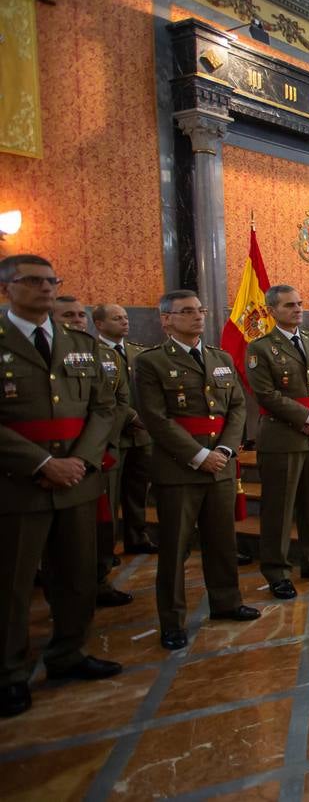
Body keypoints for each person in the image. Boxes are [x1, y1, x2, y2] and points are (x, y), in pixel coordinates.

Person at [0, 254, 120, 719]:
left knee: (76, 574)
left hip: (77, 480)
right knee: (12, 583)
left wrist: (81, 460)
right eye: (35, 281)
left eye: (53, 281)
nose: (47, 288)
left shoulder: (80, 344)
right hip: (18, 483)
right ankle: (10, 673)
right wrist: (44, 463)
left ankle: (68, 652)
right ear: (9, 287)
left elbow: (104, 408)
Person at [136, 290, 259, 650]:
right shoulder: (152, 362)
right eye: (186, 312)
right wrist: (197, 455)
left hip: (220, 464)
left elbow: (237, 406)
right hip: (179, 468)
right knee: (175, 548)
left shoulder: (219, 357)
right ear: (166, 320)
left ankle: (226, 601)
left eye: (200, 310)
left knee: (221, 540)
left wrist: (223, 448)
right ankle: (172, 620)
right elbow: (155, 418)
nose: (197, 317)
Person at [247, 285, 309, 599]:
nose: (298, 309)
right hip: (282, 437)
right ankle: (277, 570)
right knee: (279, 509)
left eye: (300, 304)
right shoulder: (261, 348)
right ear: (272, 310)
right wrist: (306, 417)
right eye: (289, 305)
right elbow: (266, 394)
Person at [52, 295, 131, 608]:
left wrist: (88, 452)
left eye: (80, 315)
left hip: (97, 455)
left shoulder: (98, 353)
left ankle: (98, 580)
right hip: (49, 460)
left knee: (101, 524)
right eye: (67, 315)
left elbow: (115, 403)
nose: (76, 321)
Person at [91, 303, 156, 555]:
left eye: (126, 317)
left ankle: (136, 537)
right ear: (99, 324)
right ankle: (107, 549)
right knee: (109, 495)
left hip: (141, 434)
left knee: (138, 490)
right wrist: (131, 415)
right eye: (117, 318)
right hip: (112, 434)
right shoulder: (92, 352)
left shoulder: (139, 352)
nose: (125, 322)